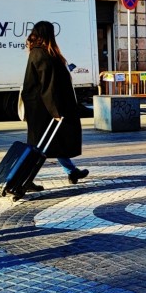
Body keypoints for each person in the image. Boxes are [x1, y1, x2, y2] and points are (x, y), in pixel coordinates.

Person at [19, 21, 88, 190]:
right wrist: (55, 111)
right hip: (44, 109)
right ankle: (25, 179)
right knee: (41, 146)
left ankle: (71, 171)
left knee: (55, 141)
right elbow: (47, 86)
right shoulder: (41, 54)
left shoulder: (39, 52)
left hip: (42, 107)